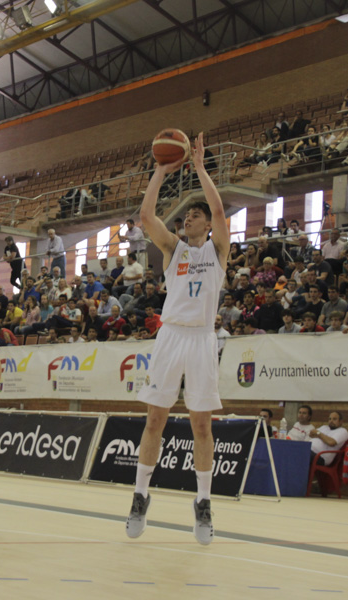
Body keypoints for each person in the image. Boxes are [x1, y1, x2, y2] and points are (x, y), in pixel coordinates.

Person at [126, 132, 229, 547]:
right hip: (170, 338)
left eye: (194, 216)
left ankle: (203, 503)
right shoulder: (174, 250)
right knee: (155, 419)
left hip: (203, 340)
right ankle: (140, 495)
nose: (188, 219)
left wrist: (200, 167)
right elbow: (146, 216)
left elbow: (221, 209)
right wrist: (159, 171)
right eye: (186, 217)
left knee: (201, 426)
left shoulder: (217, 252)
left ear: (206, 225)